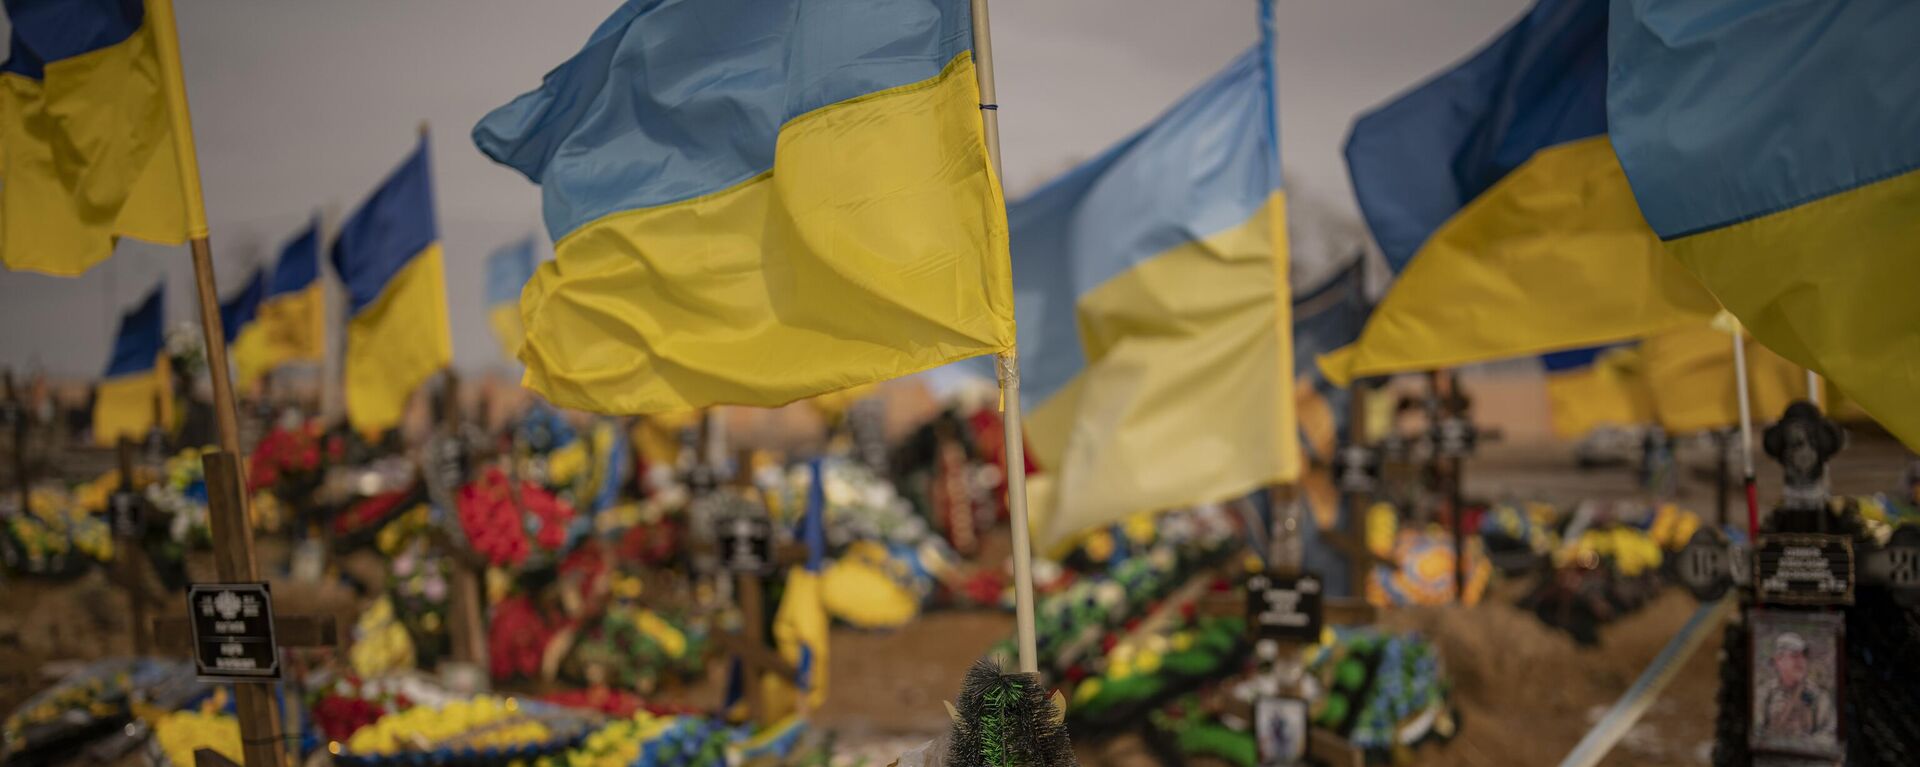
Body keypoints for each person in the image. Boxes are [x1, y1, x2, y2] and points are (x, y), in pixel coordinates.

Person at [1756, 631, 1836, 744]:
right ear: (1779, 661)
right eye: (1794, 656)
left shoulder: (1818, 695)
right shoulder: (1764, 694)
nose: (1801, 661)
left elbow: (1829, 735)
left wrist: (1803, 744)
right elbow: (1754, 732)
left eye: (1804, 656)